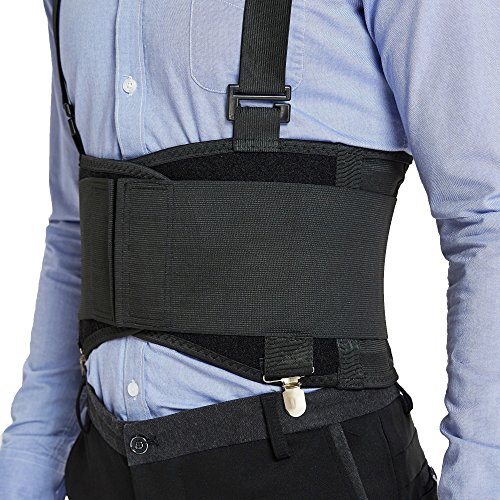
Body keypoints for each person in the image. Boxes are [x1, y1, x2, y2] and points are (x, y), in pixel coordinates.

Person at [0, 0, 498, 498]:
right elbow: (75, 230)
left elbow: (483, 220)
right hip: (103, 462)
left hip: (307, 459)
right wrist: (27, 469)